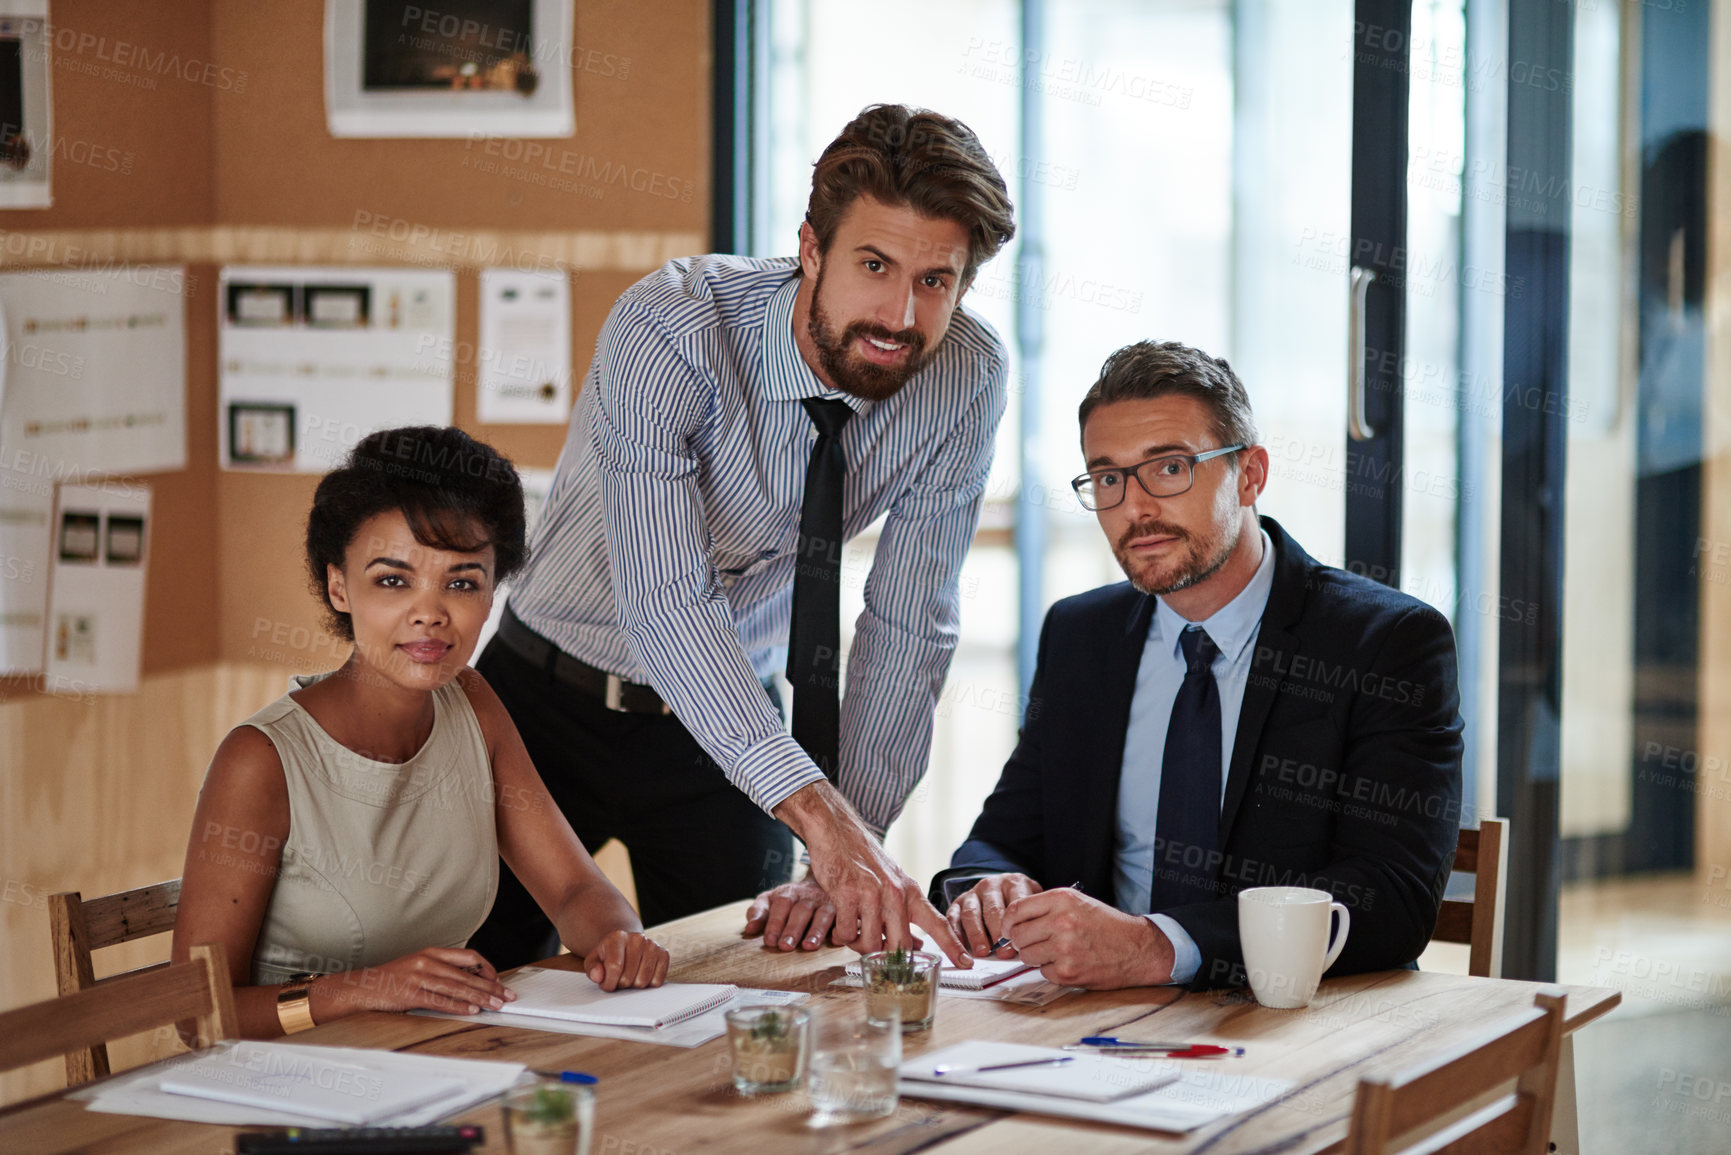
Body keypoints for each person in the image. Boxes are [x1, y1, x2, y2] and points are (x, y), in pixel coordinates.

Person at [467, 103, 1016, 969]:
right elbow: (667, 602)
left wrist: (846, 840)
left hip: (724, 734)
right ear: (810, 249)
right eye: (873, 265)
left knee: (750, 992)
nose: (900, 314)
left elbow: (910, 623)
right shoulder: (672, 329)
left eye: (935, 280)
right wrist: (817, 812)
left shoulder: (964, 377)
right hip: (540, 706)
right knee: (472, 993)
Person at [932, 341, 1464, 990]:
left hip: (1296, 1021)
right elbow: (1005, 834)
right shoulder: (1081, 634)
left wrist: (1154, 947)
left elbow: (1390, 899)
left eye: (1169, 468)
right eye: (1107, 478)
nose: (1134, 507)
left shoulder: (1385, 642)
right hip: (1091, 1029)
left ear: (1249, 474)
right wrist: (988, 883)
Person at [172, 426, 668, 1038]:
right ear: (338, 586)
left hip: (430, 1059)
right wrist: (368, 988)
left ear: (492, 596)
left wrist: (618, 937)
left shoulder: (474, 705)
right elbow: (196, 1017)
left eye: (461, 582)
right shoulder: (261, 760)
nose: (430, 611)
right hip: (283, 1090)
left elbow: (573, 889)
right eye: (393, 579)